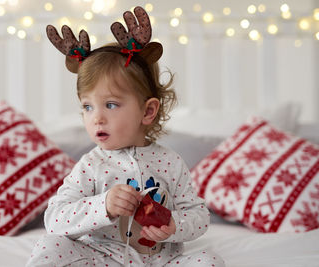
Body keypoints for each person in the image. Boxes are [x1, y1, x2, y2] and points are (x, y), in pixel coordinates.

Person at [26, 6, 225, 267]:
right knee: (50, 246)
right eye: (87, 107)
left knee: (208, 259)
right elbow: (55, 219)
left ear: (148, 110)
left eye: (110, 105)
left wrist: (174, 225)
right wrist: (103, 205)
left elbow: (199, 216)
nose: (96, 117)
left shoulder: (170, 162)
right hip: (102, 258)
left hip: (161, 260)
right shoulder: (90, 166)